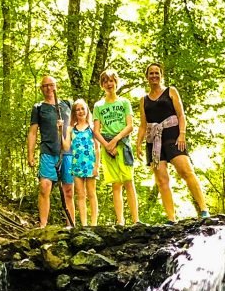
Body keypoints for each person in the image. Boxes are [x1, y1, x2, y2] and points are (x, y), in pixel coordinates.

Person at [136, 62, 209, 223]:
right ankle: (171, 218)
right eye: (151, 73)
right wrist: (138, 144)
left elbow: (181, 115)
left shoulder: (171, 92)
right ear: (147, 77)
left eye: (157, 73)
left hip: (173, 135)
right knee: (162, 180)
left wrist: (182, 134)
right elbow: (143, 125)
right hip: (154, 141)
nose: (154, 76)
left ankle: (204, 209)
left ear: (161, 75)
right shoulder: (143, 100)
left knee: (186, 171)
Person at [93, 69, 140, 226]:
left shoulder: (124, 102)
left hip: (123, 144)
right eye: (105, 81)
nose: (109, 84)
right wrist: (107, 145)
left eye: (111, 80)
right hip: (108, 147)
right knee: (116, 184)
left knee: (129, 181)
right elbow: (96, 131)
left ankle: (136, 220)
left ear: (116, 82)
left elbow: (130, 126)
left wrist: (116, 140)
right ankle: (120, 221)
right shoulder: (98, 106)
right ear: (102, 85)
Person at [27, 75, 74, 228]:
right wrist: (30, 155)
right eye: (45, 86)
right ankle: (43, 225)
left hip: (67, 152)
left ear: (56, 86)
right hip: (47, 151)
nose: (48, 88)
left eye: (51, 85)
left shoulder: (67, 105)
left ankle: (70, 225)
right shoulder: (39, 107)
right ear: (41, 89)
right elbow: (33, 132)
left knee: (68, 190)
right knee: (45, 187)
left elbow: (78, 125)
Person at [62, 99, 100, 227]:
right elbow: (66, 147)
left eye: (82, 108)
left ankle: (94, 223)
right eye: (77, 109)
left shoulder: (92, 128)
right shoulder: (70, 129)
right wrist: (60, 130)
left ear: (87, 110)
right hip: (77, 165)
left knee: (91, 193)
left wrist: (96, 166)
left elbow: (97, 148)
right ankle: (83, 224)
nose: (80, 111)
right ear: (74, 112)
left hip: (90, 164)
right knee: (80, 195)